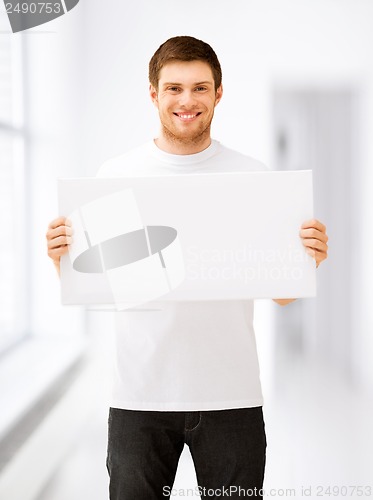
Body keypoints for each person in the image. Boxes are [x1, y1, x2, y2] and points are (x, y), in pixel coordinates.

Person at [46, 36, 328, 499]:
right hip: (139, 398)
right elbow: (99, 290)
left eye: (200, 87)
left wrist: (307, 257)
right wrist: (62, 260)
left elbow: (282, 292)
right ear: (154, 94)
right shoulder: (116, 176)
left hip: (231, 398)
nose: (187, 100)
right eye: (174, 88)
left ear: (219, 93)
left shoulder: (253, 178)